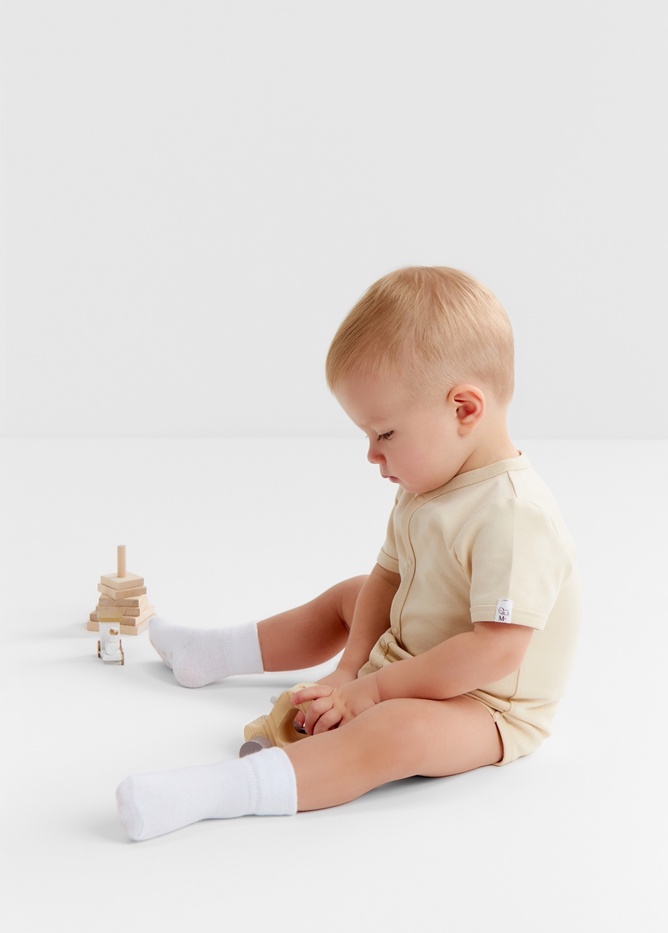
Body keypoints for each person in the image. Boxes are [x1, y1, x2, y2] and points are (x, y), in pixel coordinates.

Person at [116, 266, 582, 842]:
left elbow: (497, 651)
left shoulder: (513, 515)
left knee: (400, 730)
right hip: (419, 647)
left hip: (485, 705)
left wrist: (376, 690)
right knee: (351, 595)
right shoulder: (427, 485)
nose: (371, 455)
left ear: (464, 409)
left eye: (385, 434)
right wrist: (348, 670)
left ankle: (219, 791)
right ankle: (212, 653)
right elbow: (387, 578)